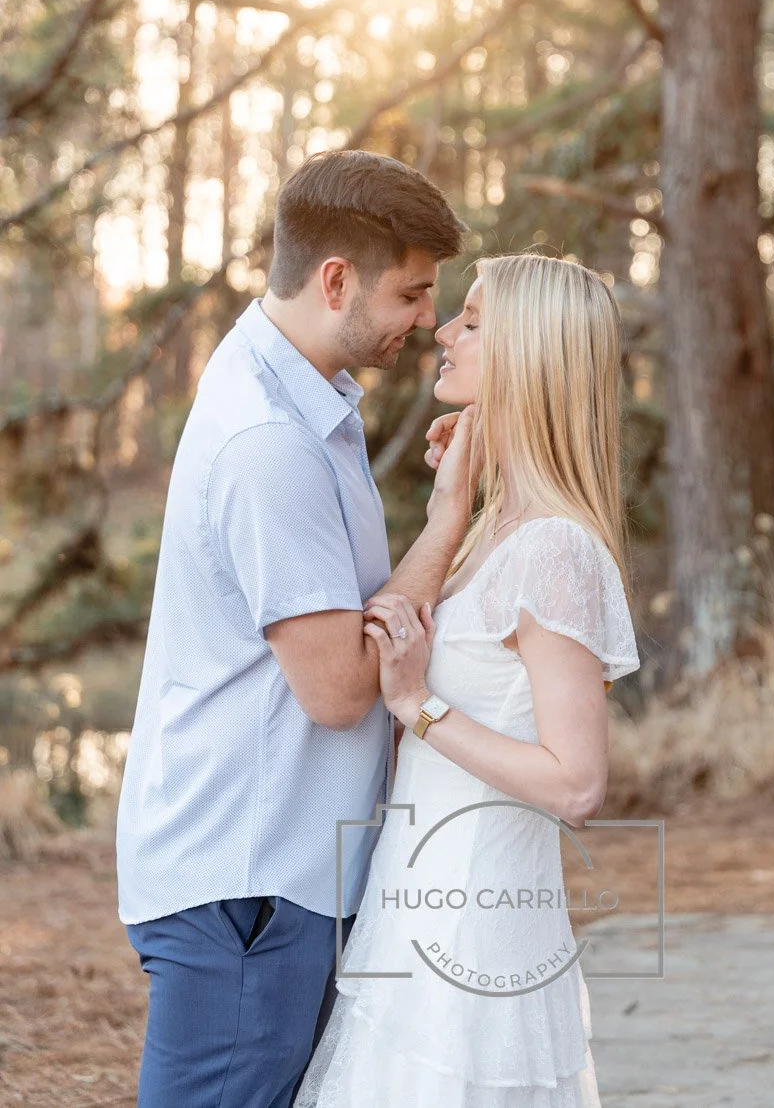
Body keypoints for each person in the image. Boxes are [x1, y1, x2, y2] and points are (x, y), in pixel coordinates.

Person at [116, 147, 473, 1108]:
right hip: (249, 878)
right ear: (335, 280)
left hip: (275, 870)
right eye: (412, 293)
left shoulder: (300, 396)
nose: (425, 321)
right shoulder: (269, 440)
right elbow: (339, 689)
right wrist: (448, 520)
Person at [293, 252, 642, 1108]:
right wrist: (452, 506)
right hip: (416, 907)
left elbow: (577, 782)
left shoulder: (557, 550)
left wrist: (419, 704)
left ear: (529, 359)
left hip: (478, 935)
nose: (443, 330)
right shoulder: (501, 534)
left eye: (474, 323)